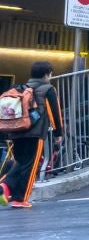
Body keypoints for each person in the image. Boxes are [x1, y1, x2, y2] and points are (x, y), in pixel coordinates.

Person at [1, 62, 63, 209]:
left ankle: (5, 186)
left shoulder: (19, 88)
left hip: (15, 131)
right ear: (47, 74)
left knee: (21, 163)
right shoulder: (48, 89)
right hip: (34, 133)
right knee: (31, 166)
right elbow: (55, 113)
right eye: (50, 74)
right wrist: (58, 133)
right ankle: (20, 199)